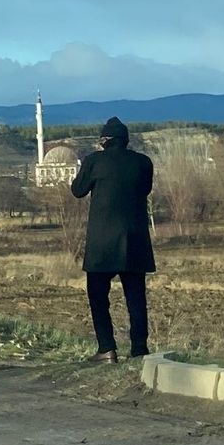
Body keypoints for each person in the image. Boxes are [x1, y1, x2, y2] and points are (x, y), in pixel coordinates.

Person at [70, 117, 155, 363]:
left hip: (102, 244)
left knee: (98, 296)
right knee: (136, 297)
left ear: (104, 141)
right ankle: (139, 349)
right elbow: (145, 190)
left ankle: (107, 348)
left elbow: (78, 190)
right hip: (135, 239)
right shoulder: (143, 163)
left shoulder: (94, 161)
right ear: (126, 140)